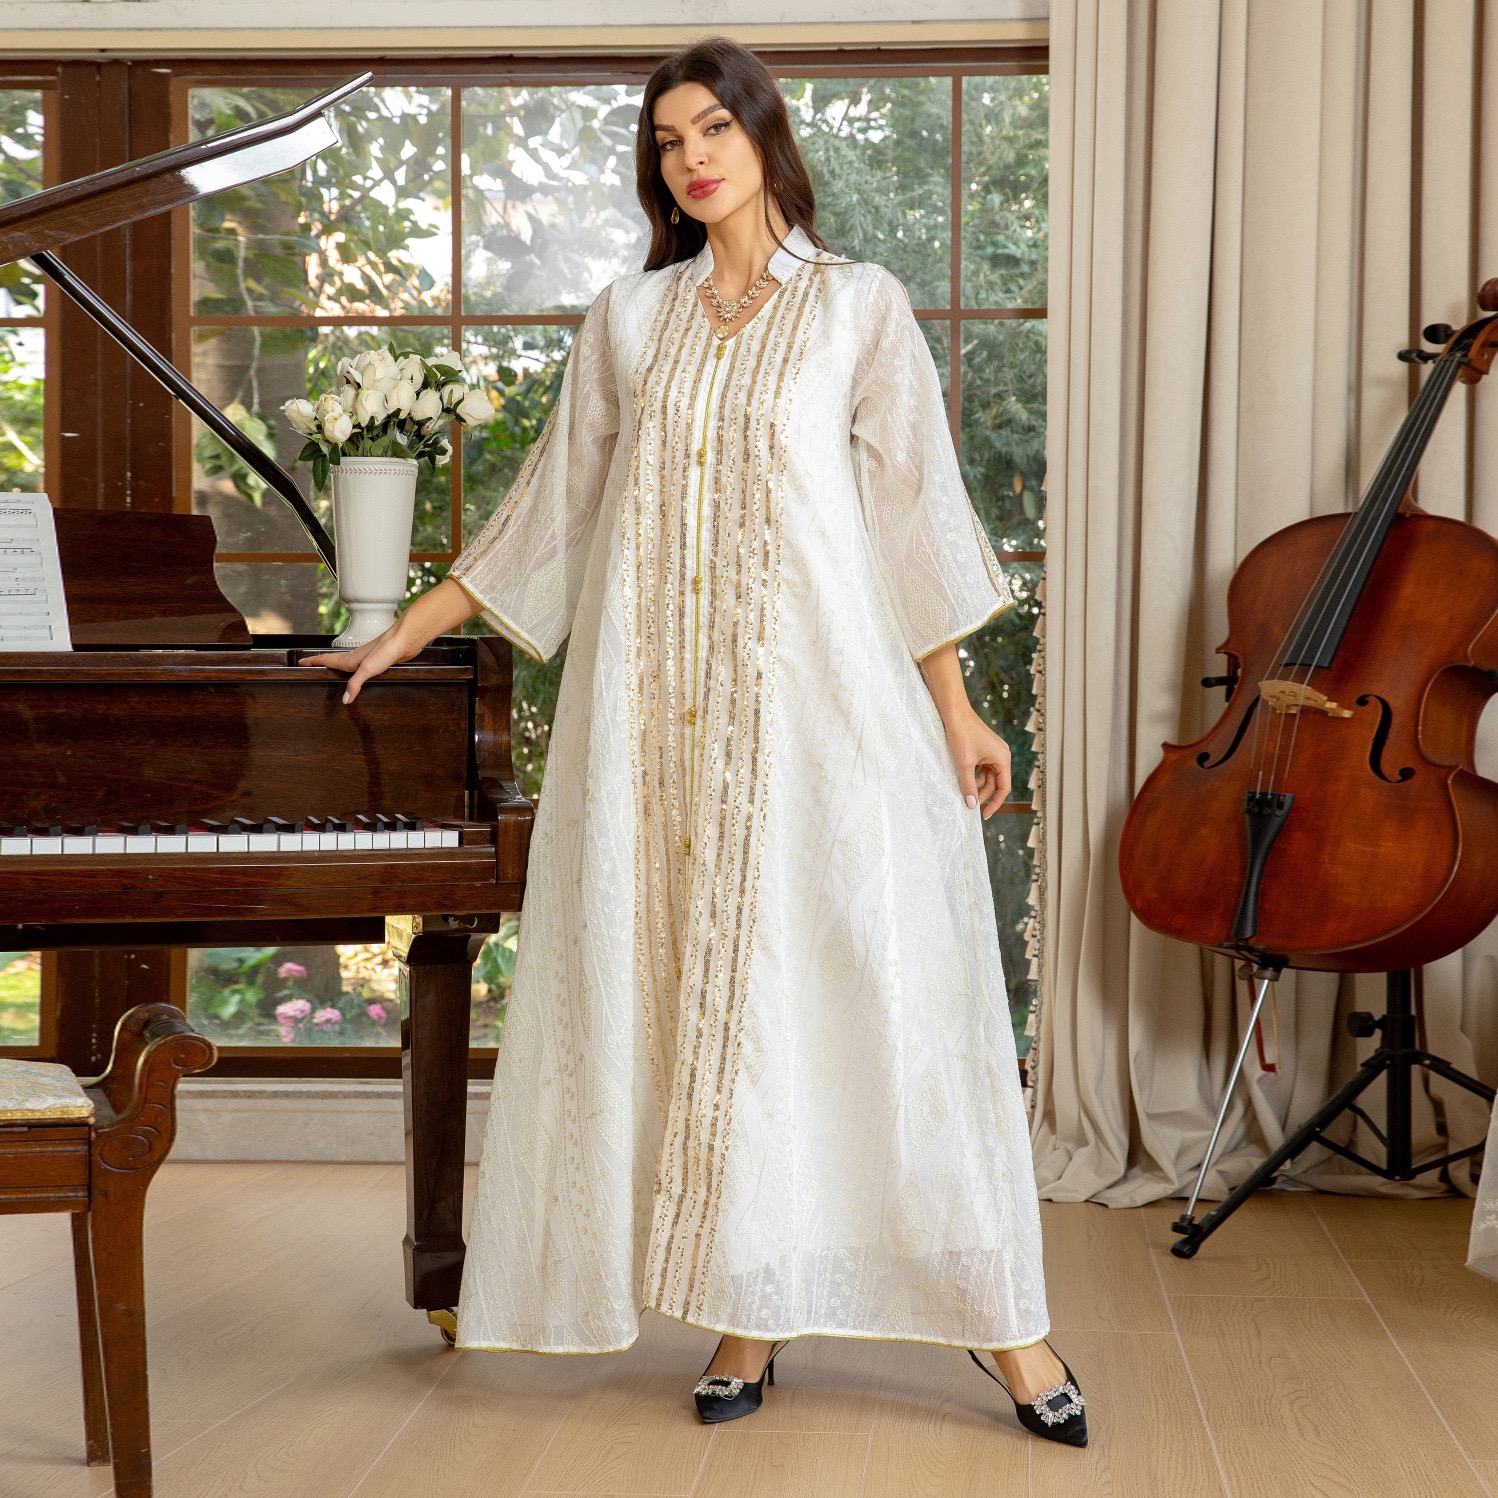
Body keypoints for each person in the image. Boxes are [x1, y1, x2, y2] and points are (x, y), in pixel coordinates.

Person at [303, 35, 1087, 1448]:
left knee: (874, 998)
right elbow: (550, 508)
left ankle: (1005, 1325)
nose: (691, 158)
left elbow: (910, 522)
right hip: (658, 736)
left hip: (828, 722)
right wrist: (404, 630)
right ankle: (747, 1312)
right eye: (667, 141)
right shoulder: (630, 318)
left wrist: (957, 706)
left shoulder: (857, 307)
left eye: (712, 128)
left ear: (763, 135)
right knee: (717, 1010)